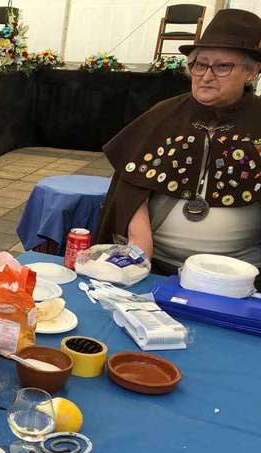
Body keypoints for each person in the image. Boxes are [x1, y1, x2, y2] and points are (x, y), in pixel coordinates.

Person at [95, 9, 261, 274]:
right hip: (158, 266)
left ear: (252, 72)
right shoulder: (163, 114)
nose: (206, 76)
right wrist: (140, 253)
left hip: (241, 276)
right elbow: (130, 185)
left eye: (222, 66)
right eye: (199, 64)